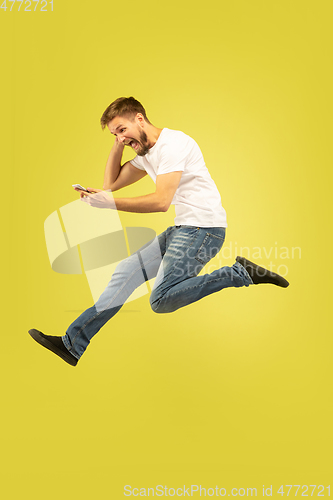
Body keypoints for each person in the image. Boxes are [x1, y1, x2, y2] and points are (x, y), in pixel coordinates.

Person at [29, 96, 289, 366]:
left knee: (161, 300)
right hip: (184, 228)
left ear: (139, 119)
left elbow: (161, 202)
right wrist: (118, 145)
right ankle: (73, 344)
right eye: (114, 134)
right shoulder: (146, 153)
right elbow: (110, 184)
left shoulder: (173, 145)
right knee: (126, 273)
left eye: (122, 130)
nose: (121, 139)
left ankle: (240, 273)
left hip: (204, 230)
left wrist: (110, 204)